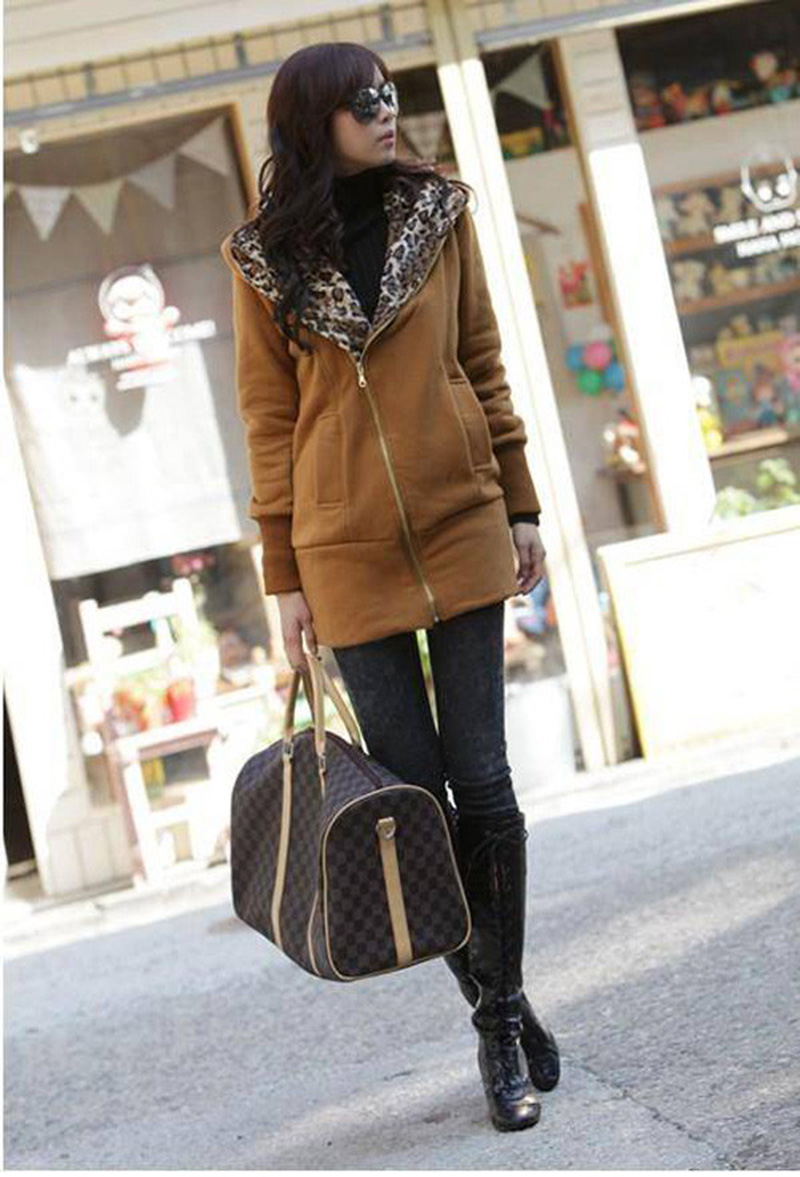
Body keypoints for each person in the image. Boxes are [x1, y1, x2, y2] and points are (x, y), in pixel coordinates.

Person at [220, 40, 559, 1133]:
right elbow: (268, 422)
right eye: (363, 100)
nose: (385, 111)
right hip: (343, 553)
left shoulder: (441, 216)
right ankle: (502, 1005)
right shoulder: (262, 261)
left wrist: (520, 502)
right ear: (312, 122)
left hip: (460, 523)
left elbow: (483, 361)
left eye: (390, 94)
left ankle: (496, 1020)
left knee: (485, 784)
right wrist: (282, 575)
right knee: (412, 802)